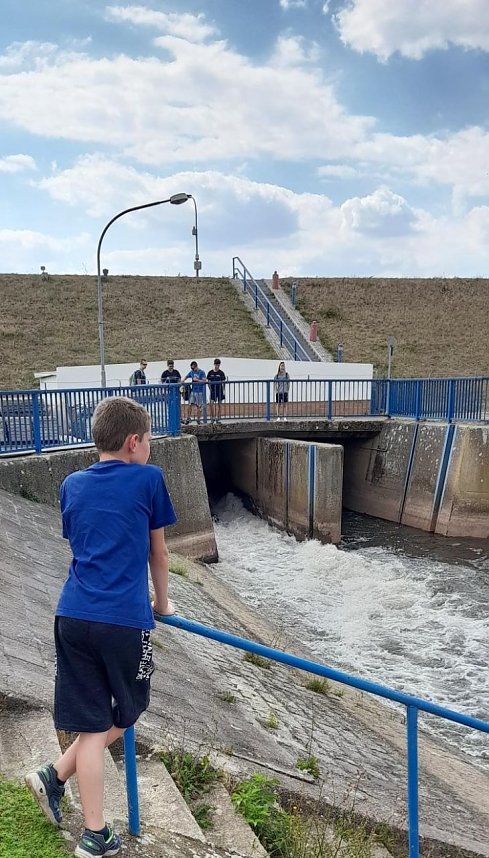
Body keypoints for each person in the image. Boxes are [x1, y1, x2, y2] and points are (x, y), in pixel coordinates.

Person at [25, 396, 176, 858]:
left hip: (72, 615)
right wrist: (163, 606)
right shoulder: (149, 479)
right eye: (148, 440)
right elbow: (159, 553)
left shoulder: (72, 483)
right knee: (128, 709)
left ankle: (55, 776)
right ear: (134, 441)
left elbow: (85, 541)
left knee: (91, 721)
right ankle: (95, 836)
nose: (149, 448)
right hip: (123, 621)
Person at [207, 358, 226, 424]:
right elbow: (208, 382)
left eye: (218, 365)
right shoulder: (210, 372)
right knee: (211, 404)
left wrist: (223, 391)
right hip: (213, 390)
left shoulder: (221, 373)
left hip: (219, 390)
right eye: (216, 365)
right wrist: (210, 389)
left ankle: (218, 418)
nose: (217, 366)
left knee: (219, 404)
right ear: (214, 364)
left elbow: (223, 382)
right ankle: (212, 418)